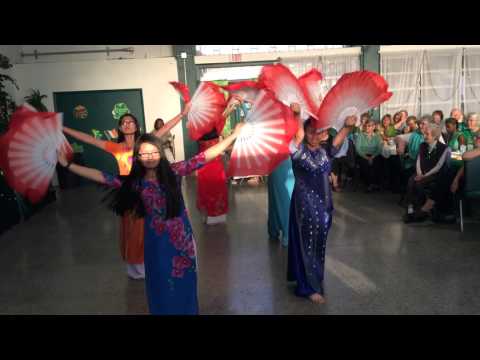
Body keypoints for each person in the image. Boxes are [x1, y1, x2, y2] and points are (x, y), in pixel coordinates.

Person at [56, 123, 245, 314]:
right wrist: (69, 165)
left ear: (161, 153)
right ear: (137, 157)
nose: (149, 157)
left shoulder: (174, 172)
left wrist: (234, 135)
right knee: (159, 284)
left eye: (154, 152)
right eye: (144, 154)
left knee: (185, 283)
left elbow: (205, 156)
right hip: (155, 243)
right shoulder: (135, 183)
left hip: (182, 242)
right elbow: (101, 176)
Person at [63, 105, 190, 279]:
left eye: (131, 121)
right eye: (124, 122)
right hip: (127, 189)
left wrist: (183, 114)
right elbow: (88, 139)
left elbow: (165, 127)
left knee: (152, 226)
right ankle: (137, 266)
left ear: (136, 126)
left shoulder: (144, 142)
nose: (128, 124)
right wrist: (63, 128)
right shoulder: (115, 147)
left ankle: (151, 260)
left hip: (147, 186)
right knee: (132, 228)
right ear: (121, 128)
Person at [287, 102, 355, 304]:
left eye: (317, 132)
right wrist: (297, 115)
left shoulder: (326, 151)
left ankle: (312, 279)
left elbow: (340, 138)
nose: (313, 136)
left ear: (323, 133)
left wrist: (348, 126)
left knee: (319, 245)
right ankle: (307, 287)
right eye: (310, 132)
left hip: (324, 206)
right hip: (304, 205)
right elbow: (297, 135)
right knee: (307, 244)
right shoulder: (297, 150)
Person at [403, 125, 451, 223]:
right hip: (421, 172)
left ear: (434, 136)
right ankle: (411, 209)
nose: (424, 136)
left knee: (419, 184)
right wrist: (419, 173)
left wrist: (424, 176)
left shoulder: (444, 148)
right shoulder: (423, 145)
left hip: (433, 174)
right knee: (411, 181)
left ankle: (420, 211)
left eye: (427, 134)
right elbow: (418, 160)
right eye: (424, 134)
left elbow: (439, 166)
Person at [355, 119, 383, 192]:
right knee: (365, 165)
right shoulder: (360, 135)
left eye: (369, 126)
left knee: (378, 163)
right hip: (363, 155)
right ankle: (370, 184)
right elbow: (358, 149)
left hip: (374, 155)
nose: (367, 127)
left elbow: (379, 149)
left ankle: (375, 183)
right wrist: (367, 158)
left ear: (373, 127)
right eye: (366, 126)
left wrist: (372, 157)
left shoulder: (377, 136)